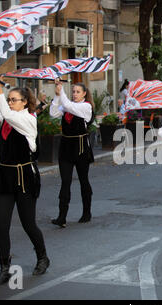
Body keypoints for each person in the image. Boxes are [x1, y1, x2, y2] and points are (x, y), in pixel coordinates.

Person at [0, 74, 49, 286]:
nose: (10, 102)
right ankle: (5, 268)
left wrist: (1, 94)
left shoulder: (28, 119)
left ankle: (42, 257)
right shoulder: (5, 118)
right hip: (4, 177)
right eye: (8, 99)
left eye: (14, 99)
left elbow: (9, 116)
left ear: (25, 102)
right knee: (1, 225)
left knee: (28, 223)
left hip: (24, 177)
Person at [50, 79, 94, 228]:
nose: (74, 94)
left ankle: (86, 212)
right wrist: (57, 95)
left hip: (81, 147)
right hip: (66, 147)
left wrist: (61, 91)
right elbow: (54, 112)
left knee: (83, 180)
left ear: (84, 94)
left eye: (77, 92)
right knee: (65, 181)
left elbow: (69, 106)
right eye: (73, 91)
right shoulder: (68, 106)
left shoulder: (85, 107)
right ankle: (62, 216)